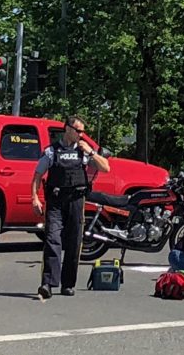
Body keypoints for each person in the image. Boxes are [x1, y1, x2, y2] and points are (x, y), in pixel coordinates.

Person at [31, 116, 110, 299]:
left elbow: (106, 168)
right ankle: (48, 283)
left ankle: (68, 284)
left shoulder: (84, 152)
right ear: (67, 129)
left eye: (82, 131)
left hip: (76, 200)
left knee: (74, 242)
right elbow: (37, 175)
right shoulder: (52, 151)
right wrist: (35, 197)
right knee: (52, 239)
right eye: (78, 130)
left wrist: (91, 153)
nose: (81, 134)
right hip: (56, 201)